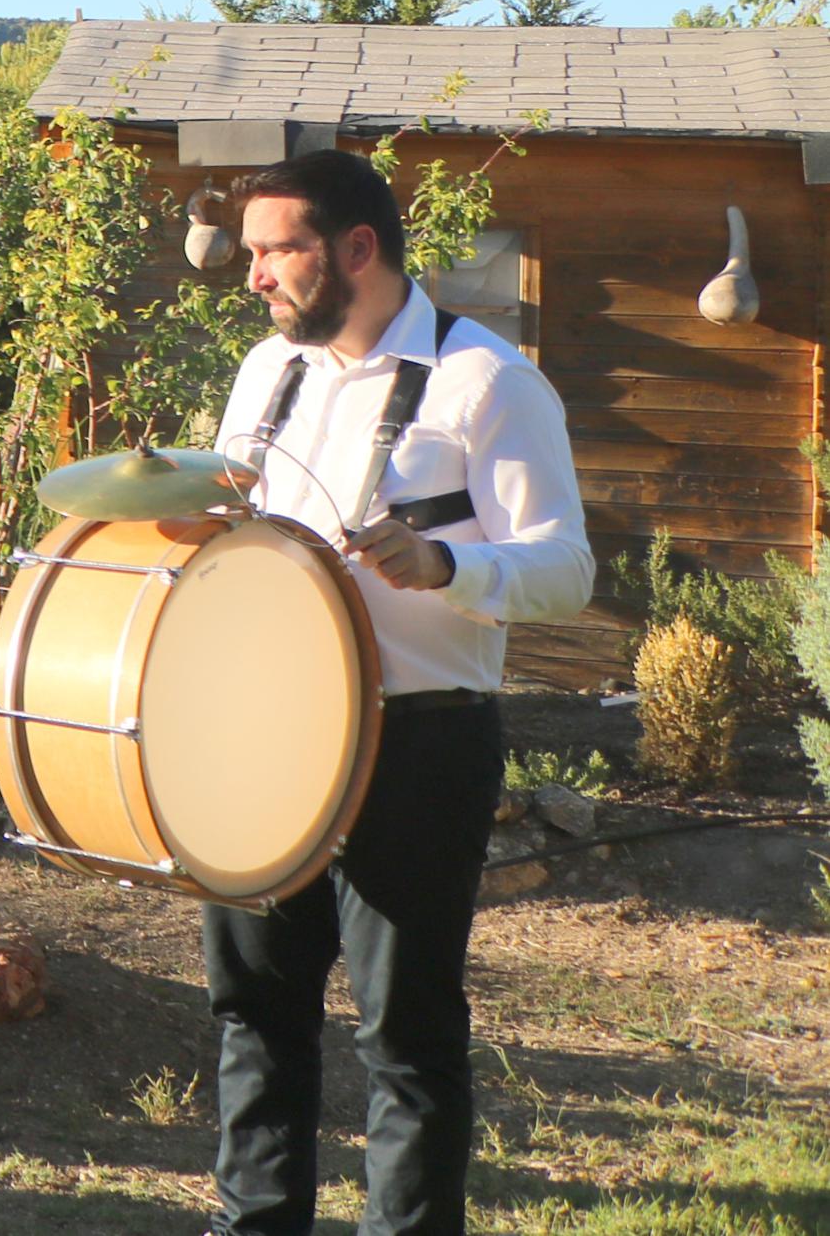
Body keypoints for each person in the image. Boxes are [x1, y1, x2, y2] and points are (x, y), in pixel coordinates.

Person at [196, 147, 589, 1236]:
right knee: (251, 1012)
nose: (253, 276)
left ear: (355, 248)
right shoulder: (262, 371)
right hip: (260, 736)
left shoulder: (486, 381)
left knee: (403, 1034)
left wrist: (449, 568)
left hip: (416, 744)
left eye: (274, 250)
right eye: (251, 252)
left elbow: (566, 566)